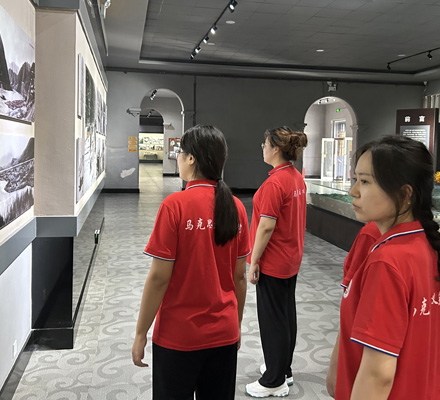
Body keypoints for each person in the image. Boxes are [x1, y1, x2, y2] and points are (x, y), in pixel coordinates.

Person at [131, 125, 251, 399]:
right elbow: (239, 277)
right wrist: (236, 325)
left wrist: (140, 333)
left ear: (191, 158)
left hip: (178, 337)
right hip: (224, 333)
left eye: (180, 153)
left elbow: (159, 278)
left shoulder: (175, 206)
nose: (178, 158)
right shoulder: (236, 207)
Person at [330, 135, 440, 399]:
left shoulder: (387, 261)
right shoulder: (421, 243)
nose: (353, 191)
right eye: (355, 179)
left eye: (365, 182)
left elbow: (378, 374)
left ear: (404, 194)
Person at [246, 126, 308, 398]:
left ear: (276, 149)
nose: (262, 148)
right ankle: (284, 369)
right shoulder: (295, 178)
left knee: (272, 321)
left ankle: (273, 380)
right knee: (286, 316)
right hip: (290, 258)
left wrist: (254, 260)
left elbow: (266, 226)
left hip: (273, 260)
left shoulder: (275, 183)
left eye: (265, 144)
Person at [326, 221, 381, 397]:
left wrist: (337, 363)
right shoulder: (420, 240)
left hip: (366, 348)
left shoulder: (372, 234)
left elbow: (351, 303)